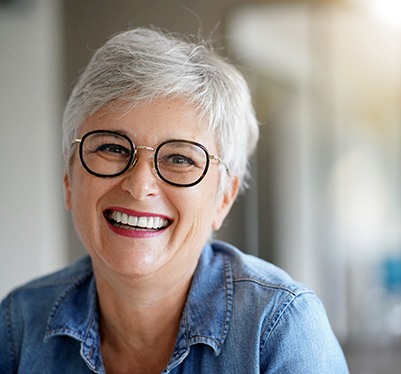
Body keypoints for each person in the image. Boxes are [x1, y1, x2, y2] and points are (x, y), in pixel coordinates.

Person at [0, 27, 348, 373]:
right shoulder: (20, 323)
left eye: (180, 158)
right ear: (69, 179)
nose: (139, 186)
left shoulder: (279, 328)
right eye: (112, 148)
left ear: (224, 197)